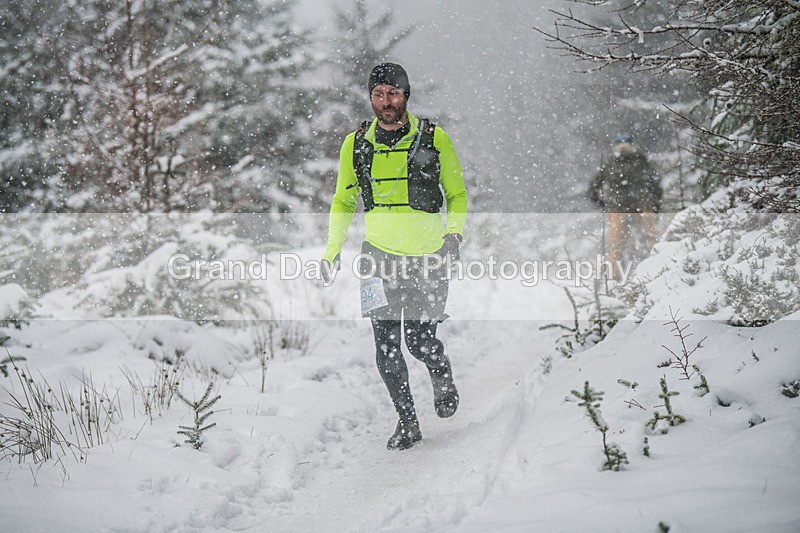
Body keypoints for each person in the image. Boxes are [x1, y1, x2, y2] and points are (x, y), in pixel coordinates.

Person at [320, 63, 468, 451]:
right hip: (378, 261)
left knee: (419, 342)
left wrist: (453, 235)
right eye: (379, 94)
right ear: (371, 98)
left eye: (393, 93)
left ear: (406, 95)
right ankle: (408, 422)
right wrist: (331, 251)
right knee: (385, 348)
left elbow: (457, 195)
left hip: (427, 258)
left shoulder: (434, 139)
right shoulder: (356, 144)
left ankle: (439, 368)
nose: (386, 102)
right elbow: (342, 200)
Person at [589, 134, 663, 270]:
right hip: (643, 205)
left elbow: (594, 187)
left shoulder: (610, 164)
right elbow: (655, 185)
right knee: (651, 240)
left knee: (615, 245)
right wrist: (656, 204)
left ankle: (614, 275)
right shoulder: (642, 161)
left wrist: (599, 202)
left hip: (619, 207)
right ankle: (657, 268)